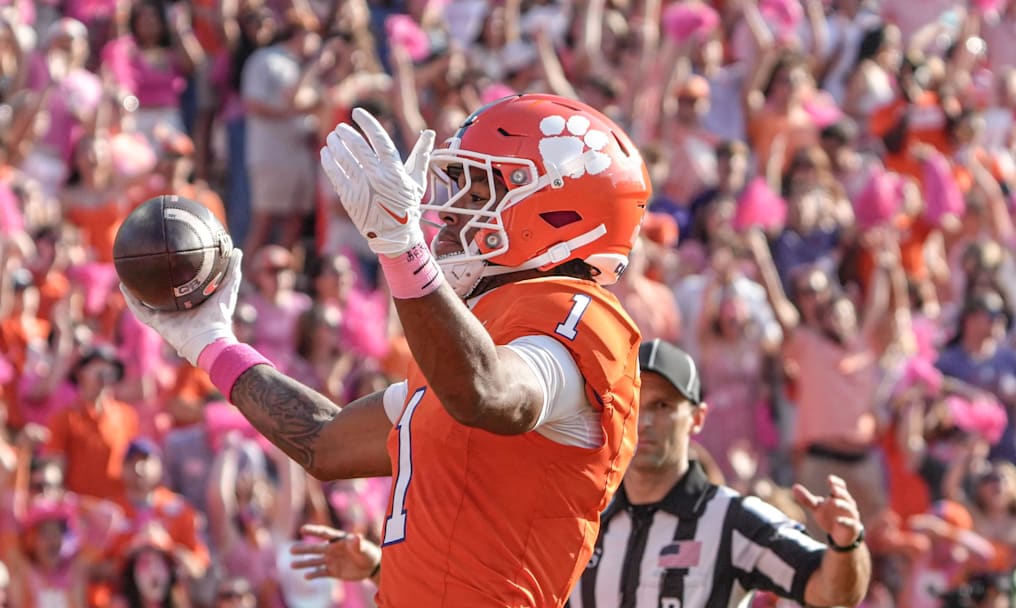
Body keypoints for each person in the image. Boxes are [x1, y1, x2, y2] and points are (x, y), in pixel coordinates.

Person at [122, 93, 652, 606]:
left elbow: (489, 393)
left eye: (476, 193)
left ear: (555, 210)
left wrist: (402, 250)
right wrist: (211, 343)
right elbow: (324, 442)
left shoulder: (584, 317)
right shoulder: (472, 335)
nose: (447, 211)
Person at [287, 340, 873, 608]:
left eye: (666, 406)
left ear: (698, 419)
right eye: (639, 402)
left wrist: (848, 544)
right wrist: (378, 566)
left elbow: (830, 590)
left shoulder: (731, 519)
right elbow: (491, 589)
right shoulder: (569, 507)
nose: (647, 421)